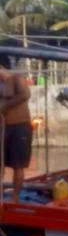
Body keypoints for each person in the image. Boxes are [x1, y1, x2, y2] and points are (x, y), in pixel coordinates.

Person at [0, 55, 32, 202]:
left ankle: (15, 196)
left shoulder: (17, 78)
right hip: (3, 127)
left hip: (20, 127)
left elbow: (25, 94)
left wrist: (4, 106)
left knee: (18, 165)